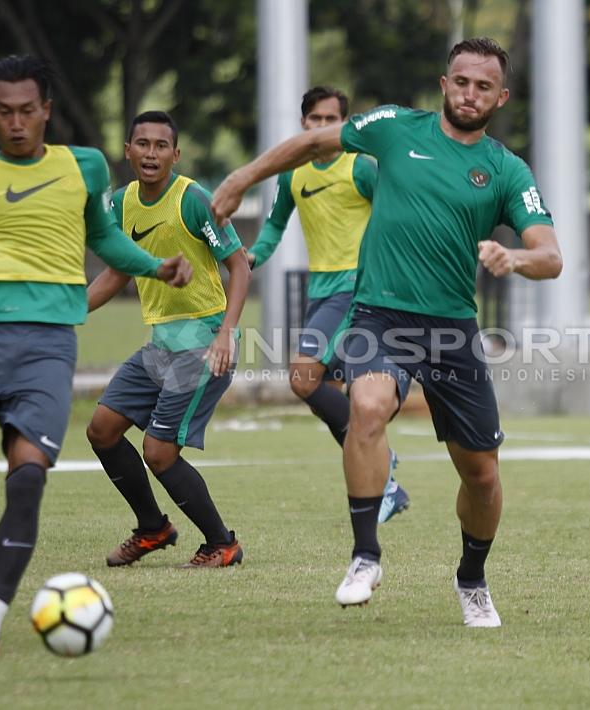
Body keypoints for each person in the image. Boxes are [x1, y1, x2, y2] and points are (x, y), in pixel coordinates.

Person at [212, 37, 562, 628]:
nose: (469, 93)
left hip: (452, 327)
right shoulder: (395, 126)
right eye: (461, 81)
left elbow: (550, 255)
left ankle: (471, 580)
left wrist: (514, 258)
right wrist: (244, 176)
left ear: (499, 97)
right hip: (380, 313)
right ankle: (364, 556)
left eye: (483, 86)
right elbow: (312, 142)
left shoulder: (506, 169)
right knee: (368, 406)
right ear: (444, 83)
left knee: (481, 475)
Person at [0, 55, 193, 657]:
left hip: (49, 347)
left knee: (27, 480)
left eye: (28, 111)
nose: (17, 123)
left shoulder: (84, 166)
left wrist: (155, 265)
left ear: (46, 110)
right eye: (5, 112)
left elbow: (102, 238)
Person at [84, 111, 250, 569]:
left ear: (175, 154)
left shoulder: (194, 199)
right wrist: (68, 310)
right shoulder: (119, 204)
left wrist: (226, 333)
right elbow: (118, 270)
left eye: (161, 146)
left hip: (201, 344)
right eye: (143, 144)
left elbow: (239, 265)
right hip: (160, 345)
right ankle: (153, 528)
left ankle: (222, 543)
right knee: (102, 429)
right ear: (128, 151)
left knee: (158, 452)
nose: (151, 153)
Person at [246, 86, 409, 524]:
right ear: (303, 124)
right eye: (314, 120)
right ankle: (385, 484)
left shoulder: (360, 168)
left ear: (344, 125)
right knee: (337, 395)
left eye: (330, 120)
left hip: (356, 290)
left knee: (302, 377)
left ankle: (385, 464)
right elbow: (274, 227)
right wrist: (250, 257)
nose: (321, 128)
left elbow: (397, 214)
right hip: (321, 293)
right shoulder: (292, 174)